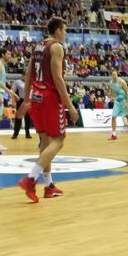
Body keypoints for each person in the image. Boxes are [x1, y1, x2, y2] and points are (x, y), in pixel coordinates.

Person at [18, 18, 79, 203]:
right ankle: (30, 179)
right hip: (49, 98)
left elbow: (29, 74)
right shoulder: (57, 47)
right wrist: (70, 106)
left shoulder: (38, 46)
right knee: (59, 141)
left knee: (45, 142)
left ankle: (49, 186)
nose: (66, 33)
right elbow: (58, 79)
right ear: (58, 30)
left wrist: (27, 100)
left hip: (35, 98)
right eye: (65, 30)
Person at [108, 70, 128, 142]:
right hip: (117, 101)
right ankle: (114, 135)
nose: (114, 76)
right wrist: (111, 96)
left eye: (115, 74)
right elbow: (112, 92)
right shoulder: (110, 83)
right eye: (113, 75)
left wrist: (127, 102)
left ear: (117, 75)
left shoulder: (122, 81)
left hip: (123, 101)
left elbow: (127, 92)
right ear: (111, 76)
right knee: (113, 116)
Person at [0, 48, 12, 151]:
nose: (10, 55)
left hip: (1, 93)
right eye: (8, 53)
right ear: (3, 54)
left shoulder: (2, 65)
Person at [12, 73, 32, 139]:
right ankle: (15, 133)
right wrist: (13, 101)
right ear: (22, 76)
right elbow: (13, 91)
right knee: (18, 117)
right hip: (21, 100)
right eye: (25, 76)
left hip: (29, 100)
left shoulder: (30, 82)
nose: (26, 77)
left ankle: (27, 133)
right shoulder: (17, 82)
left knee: (28, 118)